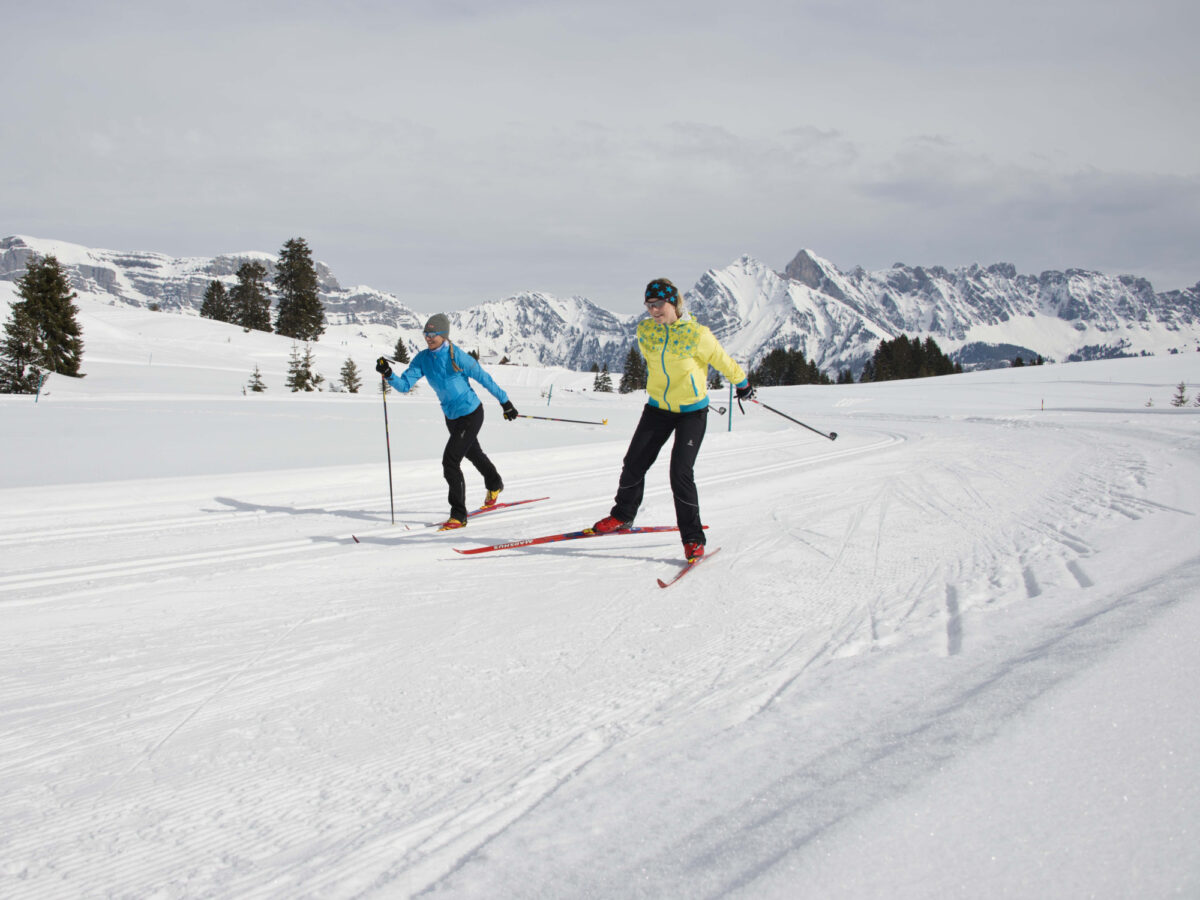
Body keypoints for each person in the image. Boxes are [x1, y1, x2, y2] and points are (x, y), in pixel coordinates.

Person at [592, 278, 755, 562]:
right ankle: (622, 515)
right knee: (633, 463)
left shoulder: (697, 334)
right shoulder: (646, 331)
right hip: (658, 408)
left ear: (674, 303)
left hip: (692, 411)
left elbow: (722, 360)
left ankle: (693, 539)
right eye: (649, 306)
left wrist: (742, 384)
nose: (653, 311)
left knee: (680, 472)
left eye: (659, 305)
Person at [376, 314, 519, 530]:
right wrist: (388, 374)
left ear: (444, 335)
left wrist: (505, 402)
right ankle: (495, 483)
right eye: (426, 334)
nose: (429, 338)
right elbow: (405, 385)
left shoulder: (457, 356)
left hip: (471, 413)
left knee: (450, 461)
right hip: (451, 417)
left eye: (433, 334)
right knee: (473, 453)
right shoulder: (423, 359)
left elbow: (484, 378)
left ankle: (458, 515)